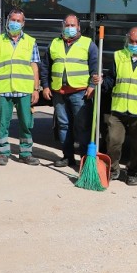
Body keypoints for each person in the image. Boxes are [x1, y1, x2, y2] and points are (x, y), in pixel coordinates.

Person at [93, 27, 137, 185]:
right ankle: (114, 169)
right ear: (127, 40)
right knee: (113, 141)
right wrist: (102, 82)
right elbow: (111, 79)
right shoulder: (119, 56)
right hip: (118, 110)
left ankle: (132, 172)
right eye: (131, 41)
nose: (134, 44)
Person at [39, 14, 97, 169]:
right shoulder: (54, 43)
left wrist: (92, 85)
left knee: (82, 127)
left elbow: (95, 67)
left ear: (78, 27)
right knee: (63, 125)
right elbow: (45, 66)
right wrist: (45, 86)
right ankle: (67, 157)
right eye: (67, 25)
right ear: (63, 26)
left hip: (80, 92)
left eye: (73, 25)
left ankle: (85, 160)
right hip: (59, 92)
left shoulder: (88, 44)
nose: (70, 28)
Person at [0, 8, 42, 166]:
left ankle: (25, 153)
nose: (15, 23)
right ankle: (2, 152)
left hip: (25, 90)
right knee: (2, 123)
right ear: (7, 21)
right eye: (13, 20)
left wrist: (35, 89)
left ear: (23, 23)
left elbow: (34, 67)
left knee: (26, 122)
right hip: (4, 89)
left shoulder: (30, 41)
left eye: (18, 21)